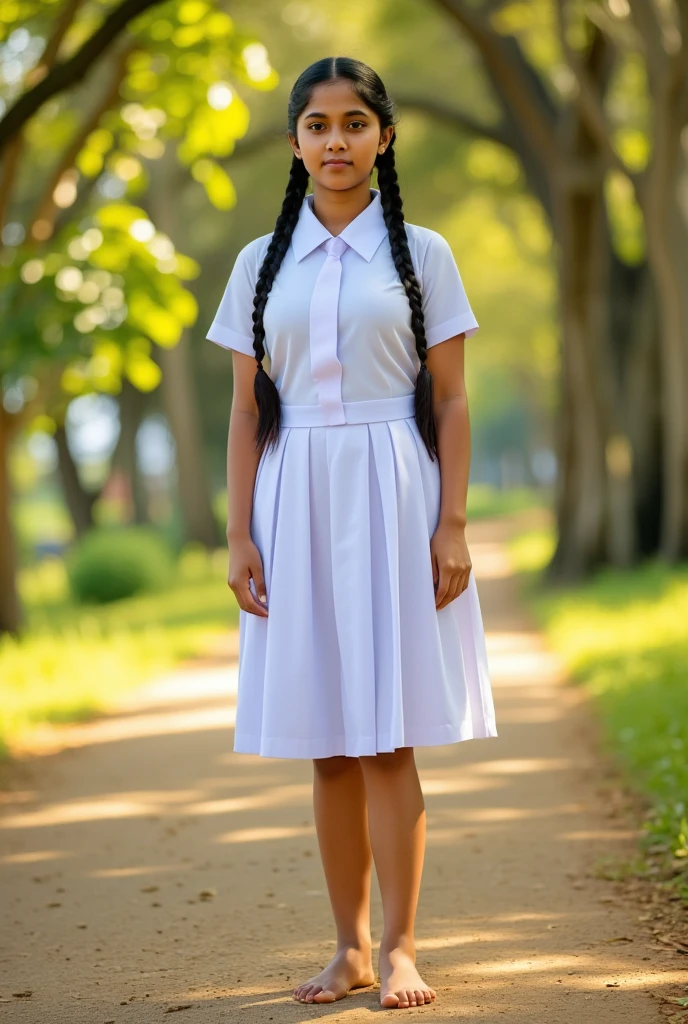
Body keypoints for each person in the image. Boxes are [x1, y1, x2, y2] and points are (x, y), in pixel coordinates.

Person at [206, 56, 498, 1011]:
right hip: (295, 499)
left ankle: (404, 947)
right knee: (328, 743)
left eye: (356, 123)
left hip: (393, 492)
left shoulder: (424, 254)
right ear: (294, 141)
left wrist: (451, 523)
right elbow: (248, 414)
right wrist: (240, 532)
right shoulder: (259, 263)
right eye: (319, 125)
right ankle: (349, 949)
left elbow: (451, 402)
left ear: (385, 136)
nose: (337, 141)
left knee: (387, 739)